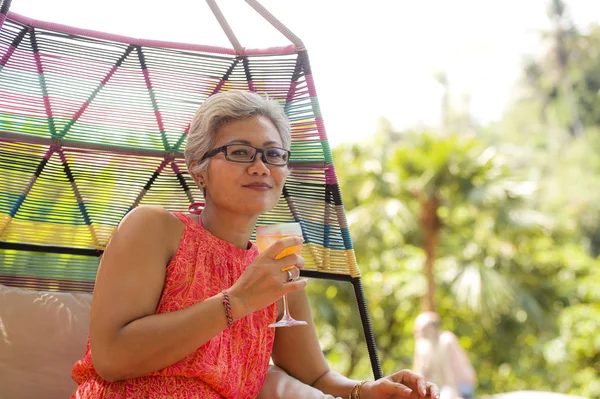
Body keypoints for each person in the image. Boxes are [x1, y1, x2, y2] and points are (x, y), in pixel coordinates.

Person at [71, 90, 440, 399]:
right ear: (199, 168)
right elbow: (112, 358)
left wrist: (366, 389)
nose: (260, 166)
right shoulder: (155, 228)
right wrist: (239, 301)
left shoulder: (277, 265)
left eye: (273, 154)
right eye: (240, 152)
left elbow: (314, 377)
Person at [413, 312, 477, 399]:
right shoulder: (422, 344)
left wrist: (455, 394)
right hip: (444, 385)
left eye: (422, 328)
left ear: (433, 328)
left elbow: (450, 370)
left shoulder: (446, 340)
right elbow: (420, 370)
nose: (418, 332)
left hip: (462, 384)